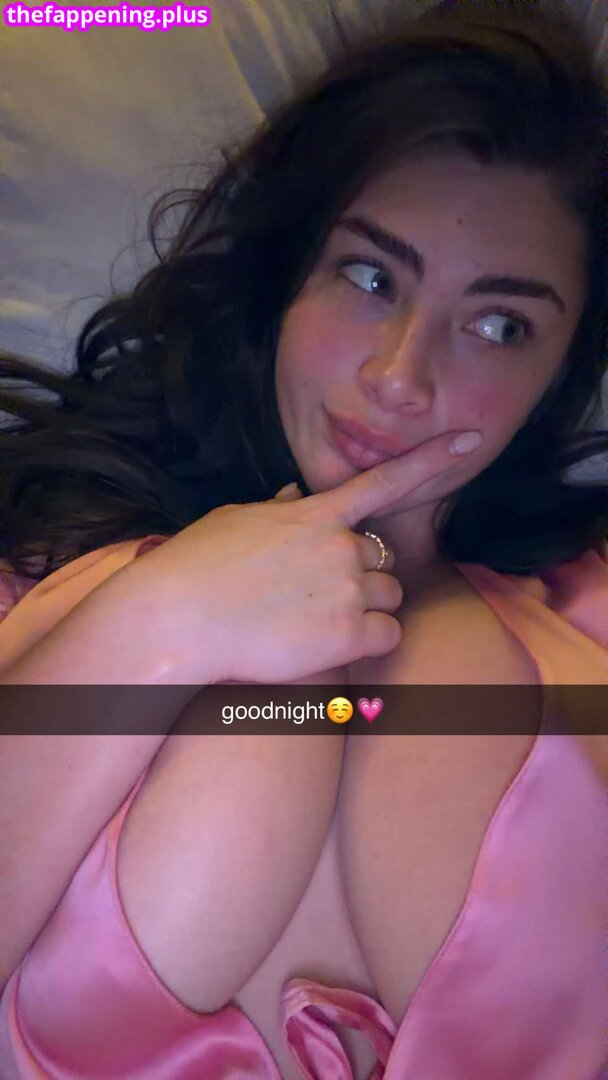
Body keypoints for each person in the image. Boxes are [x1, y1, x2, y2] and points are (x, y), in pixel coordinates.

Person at [0, 1, 607, 1076]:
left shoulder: (590, 618)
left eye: (497, 324)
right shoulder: (46, 579)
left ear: (560, 372)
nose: (399, 378)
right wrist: (154, 623)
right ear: (288, 274)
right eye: (370, 278)